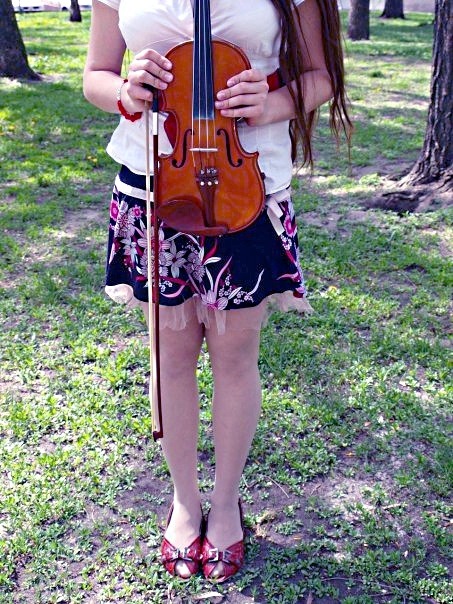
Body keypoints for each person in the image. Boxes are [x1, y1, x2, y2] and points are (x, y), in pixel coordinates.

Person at [83, 0, 351, 584]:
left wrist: (272, 103)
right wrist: (125, 93)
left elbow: (320, 76)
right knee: (172, 354)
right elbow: (96, 76)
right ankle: (184, 502)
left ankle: (226, 504)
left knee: (234, 354)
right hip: (154, 184)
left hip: (245, 187)